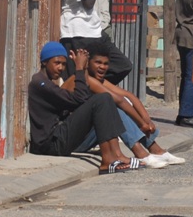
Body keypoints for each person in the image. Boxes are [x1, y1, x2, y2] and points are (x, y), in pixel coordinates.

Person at [27, 41, 138, 173]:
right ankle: (108, 160)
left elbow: (77, 101)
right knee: (101, 99)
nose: (61, 68)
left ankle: (116, 154)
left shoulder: (46, 82)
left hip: (58, 138)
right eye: (57, 63)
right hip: (50, 145)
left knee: (105, 99)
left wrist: (83, 69)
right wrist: (79, 68)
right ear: (45, 62)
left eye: (64, 64)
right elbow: (80, 98)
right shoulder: (41, 83)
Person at [83, 48, 186, 168]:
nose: (102, 67)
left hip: (94, 134)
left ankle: (156, 150)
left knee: (123, 108)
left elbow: (129, 96)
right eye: (98, 62)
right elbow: (120, 100)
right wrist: (141, 123)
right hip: (79, 141)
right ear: (87, 63)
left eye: (105, 64)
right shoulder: (86, 80)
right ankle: (140, 154)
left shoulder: (100, 81)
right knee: (116, 109)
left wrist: (147, 120)